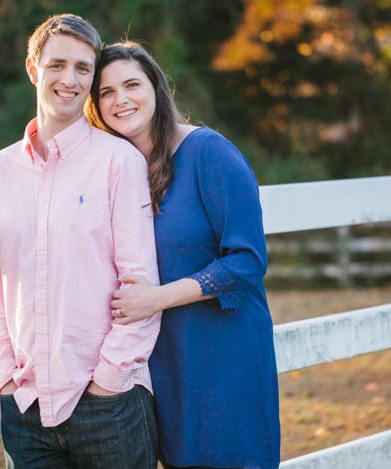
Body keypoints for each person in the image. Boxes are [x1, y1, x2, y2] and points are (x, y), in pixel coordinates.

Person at [87, 41, 281, 469]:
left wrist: (157, 298)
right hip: (164, 363)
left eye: (132, 84)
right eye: (106, 92)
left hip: (223, 353)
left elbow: (247, 261)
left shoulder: (209, 152)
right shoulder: (118, 171)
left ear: (156, 87)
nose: (121, 100)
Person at [0, 15, 161, 468]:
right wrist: (3, 374)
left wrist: (108, 382)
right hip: (26, 405)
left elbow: (140, 281)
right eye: (57, 64)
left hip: (109, 403)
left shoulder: (118, 161)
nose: (70, 79)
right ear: (32, 68)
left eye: (83, 68)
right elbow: (0, 284)